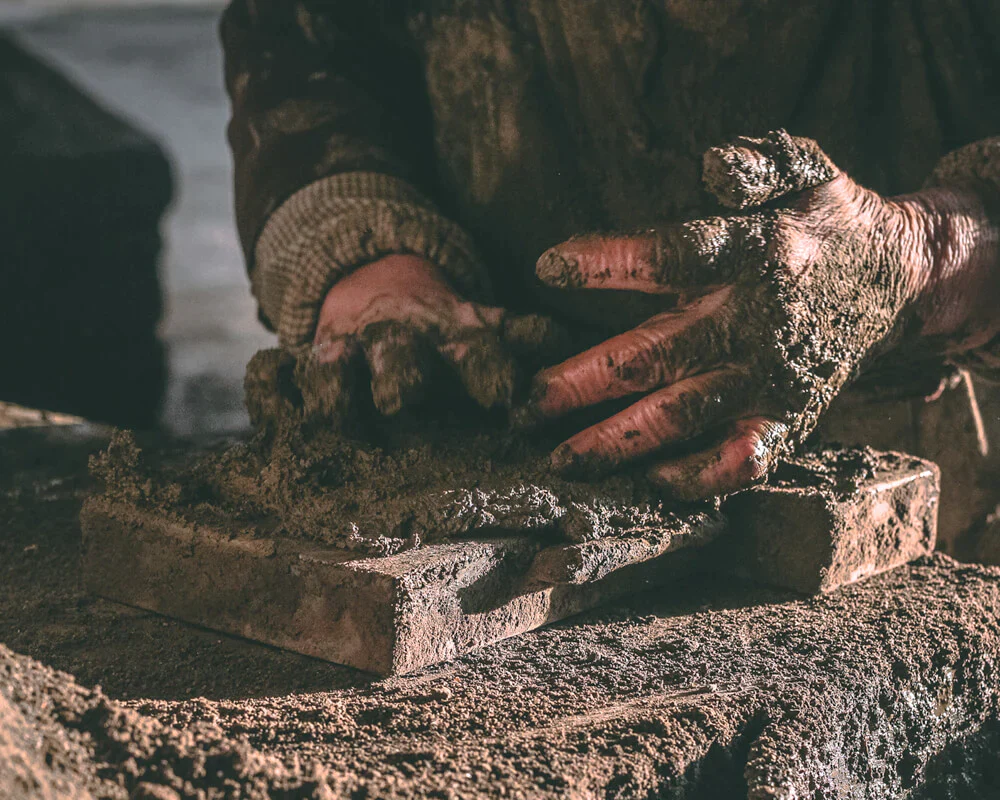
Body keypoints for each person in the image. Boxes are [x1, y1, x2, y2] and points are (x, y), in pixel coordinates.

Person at [219, 1, 999, 502]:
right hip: (492, 409)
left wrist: (917, 257)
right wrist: (373, 257)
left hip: (899, 450)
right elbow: (307, 38)